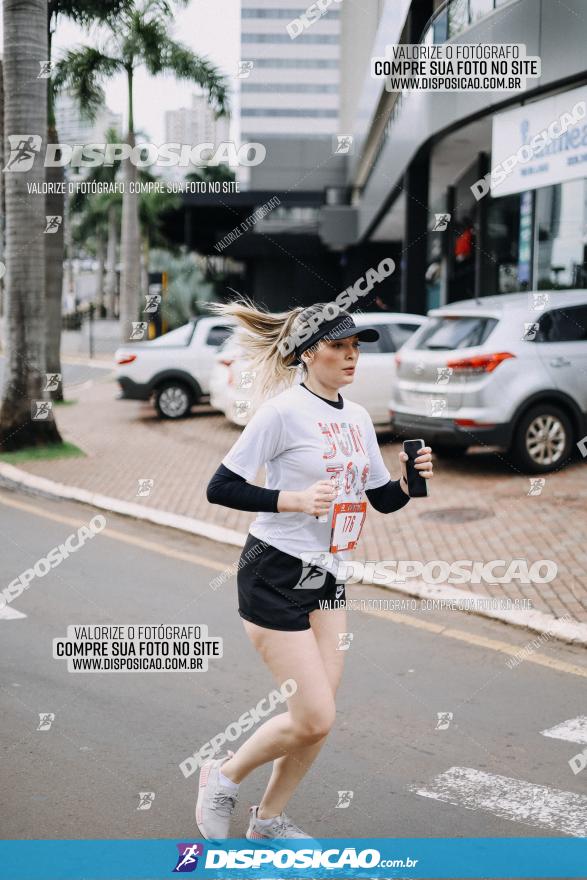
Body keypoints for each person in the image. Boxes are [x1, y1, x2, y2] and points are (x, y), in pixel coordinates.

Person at [198, 297, 434, 842]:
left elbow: (380, 499)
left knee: (318, 718)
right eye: (339, 346)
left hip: (328, 575)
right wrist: (293, 500)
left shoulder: (356, 417)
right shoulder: (281, 412)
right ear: (308, 354)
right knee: (313, 716)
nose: (351, 357)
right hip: (274, 571)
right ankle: (222, 778)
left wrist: (406, 479)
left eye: (356, 347)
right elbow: (221, 486)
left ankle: (268, 820)